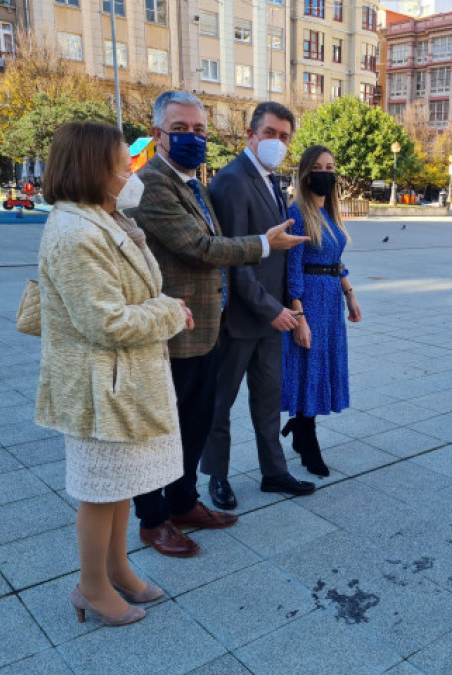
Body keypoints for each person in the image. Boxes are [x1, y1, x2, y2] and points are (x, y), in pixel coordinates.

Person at [128, 91, 307, 557]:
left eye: (200, 130)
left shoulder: (193, 184)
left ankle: (184, 502)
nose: (193, 138)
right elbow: (203, 247)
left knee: (193, 423)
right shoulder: (152, 184)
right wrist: (264, 245)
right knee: (165, 431)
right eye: (180, 130)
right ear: (157, 135)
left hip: (205, 326)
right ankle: (153, 520)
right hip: (175, 331)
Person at [36, 121, 193, 626]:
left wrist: (162, 307)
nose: (132, 171)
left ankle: (119, 570)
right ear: (92, 167)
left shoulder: (106, 219)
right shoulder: (77, 231)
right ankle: (91, 586)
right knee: (100, 491)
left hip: (121, 379)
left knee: (122, 483)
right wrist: (170, 312)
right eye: (124, 164)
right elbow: (104, 321)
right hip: (98, 385)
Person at [202, 101, 315, 511]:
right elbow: (234, 258)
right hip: (240, 319)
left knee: (268, 400)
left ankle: (274, 472)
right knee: (221, 402)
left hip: (271, 320)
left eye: (284, 137)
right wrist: (272, 308)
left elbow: (276, 254)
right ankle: (217, 477)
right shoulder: (233, 181)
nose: (277, 142)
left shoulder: (269, 180)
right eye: (270, 133)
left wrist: (286, 308)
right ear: (250, 135)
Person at [280, 145, 361, 476]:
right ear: (305, 173)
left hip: (331, 299)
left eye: (330, 166)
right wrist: (298, 316)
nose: (326, 172)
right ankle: (306, 438)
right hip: (309, 299)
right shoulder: (298, 213)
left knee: (319, 365)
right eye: (318, 167)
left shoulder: (331, 212)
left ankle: (301, 430)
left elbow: (336, 261)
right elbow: (293, 267)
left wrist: (350, 294)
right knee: (307, 366)